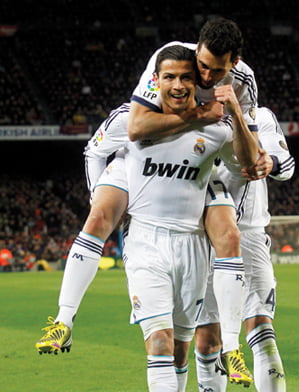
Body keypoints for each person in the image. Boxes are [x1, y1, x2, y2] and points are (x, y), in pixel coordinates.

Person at [36, 18, 259, 383]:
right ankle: (63, 318)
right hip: (143, 212)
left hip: (195, 200)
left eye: (205, 73)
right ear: (158, 79)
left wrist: (237, 124)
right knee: (99, 219)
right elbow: (130, 132)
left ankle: (232, 347)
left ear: (232, 65)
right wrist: (97, 195)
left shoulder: (236, 93)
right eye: (192, 69)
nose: (198, 77)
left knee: (226, 244)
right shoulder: (158, 78)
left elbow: (246, 160)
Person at [114, 45, 256, 392]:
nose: (178, 85)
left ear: (197, 83)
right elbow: (105, 145)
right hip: (145, 243)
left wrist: (235, 112)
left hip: (192, 246)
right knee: (158, 343)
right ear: (156, 81)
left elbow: (249, 163)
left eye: (186, 78)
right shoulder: (131, 122)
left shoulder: (216, 130)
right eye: (170, 77)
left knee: (180, 349)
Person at [194, 106, 293, 392]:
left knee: (262, 329)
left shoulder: (260, 115)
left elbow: (287, 164)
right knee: (207, 339)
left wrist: (270, 163)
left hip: (249, 233)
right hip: (201, 237)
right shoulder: (192, 111)